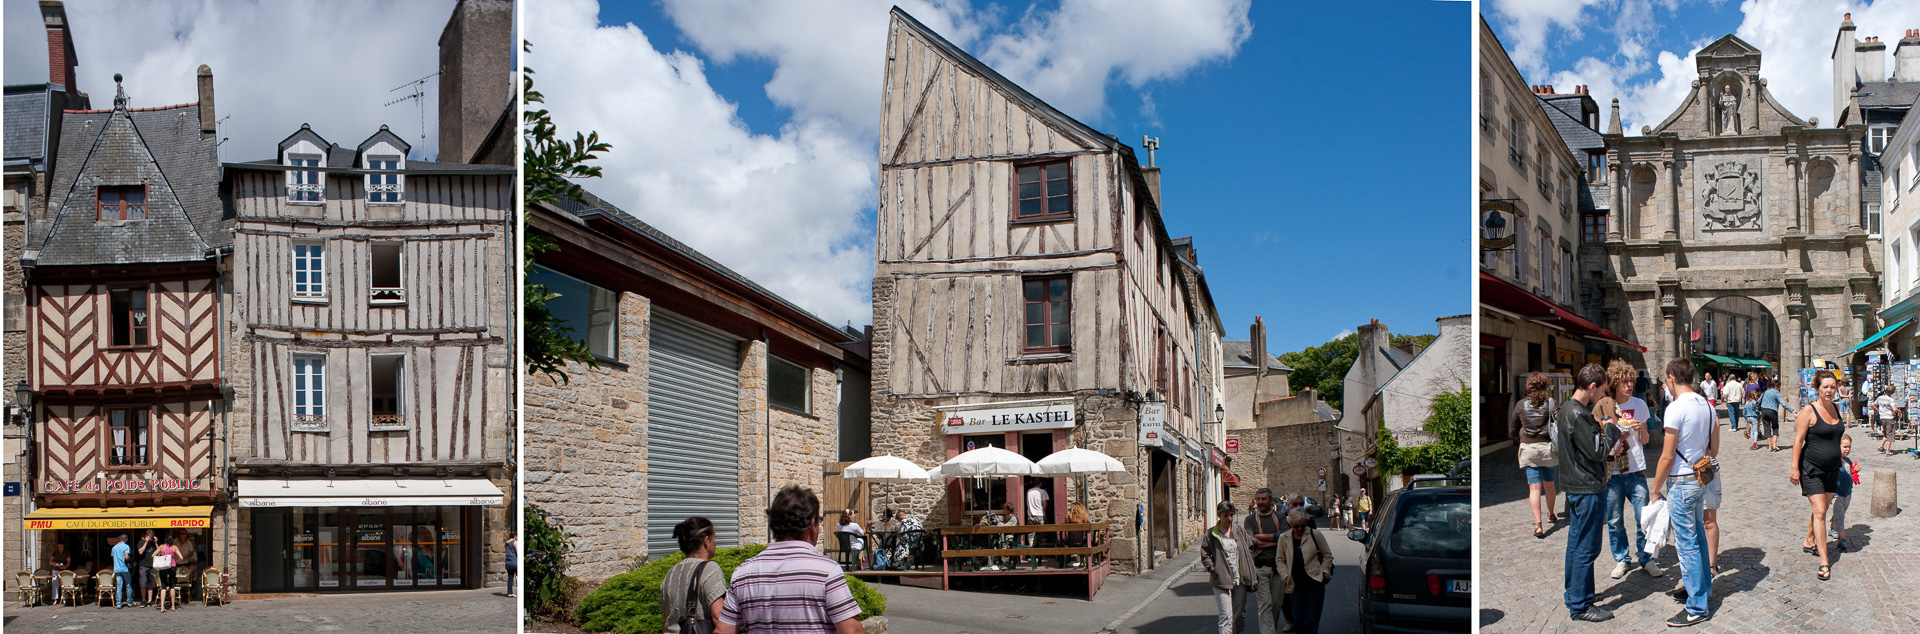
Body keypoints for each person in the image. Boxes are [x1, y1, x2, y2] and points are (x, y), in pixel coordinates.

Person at [715, 485, 864, 634]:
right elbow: (851, 631)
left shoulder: (743, 573)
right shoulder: (827, 571)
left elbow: (723, 631)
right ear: (812, 524)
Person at [1651, 358, 1716, 627]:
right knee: (1698, 538)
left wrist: (1655, 488)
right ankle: (1701, 590)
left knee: (1687, 544)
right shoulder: (1706, 405)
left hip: (1680, 481)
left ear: (1670, 378)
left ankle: (1697, 606)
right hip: (1700, 478)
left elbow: (1667, 456)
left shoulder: (1675, 408)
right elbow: (1712, 447)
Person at [1557, 363, 1621, 623]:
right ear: (1592, 386)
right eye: (1602, 391)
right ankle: (1581, 605)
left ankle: (1574, 594)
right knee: (1587, 547)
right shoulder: (1579, 414)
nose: (1603, 397)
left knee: (1576, 543)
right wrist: (1612, 429)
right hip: (1586, 486)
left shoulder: (1566, 409)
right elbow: (1597, 451)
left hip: (1575, 485)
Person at [1597, 360, 1660, 579]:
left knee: (1643, 518)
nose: (1629, 385)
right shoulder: (1604, 406)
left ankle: (1646, 558)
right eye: (1624, 381)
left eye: (1631, 380)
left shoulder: (1640, 405)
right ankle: (1621, 559)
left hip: (1636, 470)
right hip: (1613, 471)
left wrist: (1642, 429)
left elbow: (1644, 441)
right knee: (1614, 521)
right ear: (1614, 383)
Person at [1791, 372, 1845, 583]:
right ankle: (1824, 560)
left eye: (1832, 387)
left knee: (1821, 508)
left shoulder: (1836, 408)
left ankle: (1809, 539)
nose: (1829, 390)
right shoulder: (1808, 411)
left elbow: (1836, 437)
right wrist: (1794, 467)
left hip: (1832, 469)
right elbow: (1798, 440)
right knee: (1820, 511)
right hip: (1811, 468)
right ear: (1817, 388)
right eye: (1825, 387)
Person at [1510, 372, 1561, 538]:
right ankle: (1551, 514)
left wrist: (1519, 437)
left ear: (1527, 386)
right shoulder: (1551, 403)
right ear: (1545, 386)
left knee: (1534, 488)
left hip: (1528, 449)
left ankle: (1538, 525)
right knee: (1550, 485)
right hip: (1547, 448)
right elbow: (1559, 423)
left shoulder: (1520, 404)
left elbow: (1512, 428)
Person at [663, 517, 727, 634]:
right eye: (714, 538)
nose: (715, 543)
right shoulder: (710, 569)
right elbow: (718, 617)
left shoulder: (671, 573)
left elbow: (666, 620)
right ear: (706, 541)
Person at [1201, 501, 1256, 634]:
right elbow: (1205, 555)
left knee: (1238, 615)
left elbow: (1250, 547)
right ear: (1219, 515)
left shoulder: (1239, 531)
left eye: (1231, 515)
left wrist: (1247, 562)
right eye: (1226, 515)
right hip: (1221, 580)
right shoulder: (1211, 534)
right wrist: (1214, 570)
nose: (1229, 519)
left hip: (1240, 579)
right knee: (1226, 616)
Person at [1243, 489, 1288, 634]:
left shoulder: (1280, 517)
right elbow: (1250, 540)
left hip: (1279, 567)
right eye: (1258, 499)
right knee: (1265, 604)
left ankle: (1270, 629)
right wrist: (1275, 540)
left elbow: (1285, 537)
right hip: (1260, 567)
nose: (1260, 502)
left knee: (1276, 603)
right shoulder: (1250, 520)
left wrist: (1261, 538)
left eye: (1264, 499)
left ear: (1271, 501)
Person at [1286, 507, 1334, 634]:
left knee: (1311, 619)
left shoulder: (1315, 534)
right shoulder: (1285, 538)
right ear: (1291, 524)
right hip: (1296, 584)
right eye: (1296, 526)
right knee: (1299, 619)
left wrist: (1324, 572)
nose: (1300, 529)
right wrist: (1285, 575)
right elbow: (1280, 559)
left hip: (1315, 582)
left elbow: (1327, 555)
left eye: (1303, 525)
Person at [1830, 434, 1859, 552]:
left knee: (1840, 514)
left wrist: (1855, 471)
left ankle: (1832, 529)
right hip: (1837, 494)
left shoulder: (1848, 460)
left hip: (1847, 493)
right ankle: (1842, 539)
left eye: (1849, 447)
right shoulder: (1835, 460)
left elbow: (1849, 473)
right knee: (1840, 516)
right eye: (1845, 446)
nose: (1847, 449)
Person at [1756, 379, 1786, 452]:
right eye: (1779, 386)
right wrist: (1791, 410)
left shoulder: (1765, 392)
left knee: (1767, 428)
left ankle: (1770, 446)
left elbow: (1758, 401)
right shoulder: (1776, 392)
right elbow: (1783, 404)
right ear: (1776, 386)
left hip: (1763, 411)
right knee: (1775, 427)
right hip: (1772, 411)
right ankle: (1775, 445)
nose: (1779, 388)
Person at [153, 537, 180, 612]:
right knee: (172, 586)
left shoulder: (162, 546)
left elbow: (153, 555)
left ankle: (162, 607)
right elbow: (181, 557)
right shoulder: (174, 547)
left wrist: (160, 556)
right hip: (172, 566)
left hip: (163, 567)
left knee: (163, 586)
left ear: (165, 541)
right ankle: (173, 606)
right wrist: (175, 560)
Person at [109, 534, 132, 609]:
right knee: (128, 585)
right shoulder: (126, 547)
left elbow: (113, 559)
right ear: (126, 540)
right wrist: (129, 559)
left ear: (119, 539)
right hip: (124, 568)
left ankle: (118, 603)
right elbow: (126, 557)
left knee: (119, 586)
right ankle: (129, 602)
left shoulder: (114, 548)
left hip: (117, 568)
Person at [136, 530, 158, 607]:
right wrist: (146, 542)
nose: (150, 539)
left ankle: (150, 600)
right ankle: (143, 599)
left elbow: (159, 552)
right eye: (149, 536)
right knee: (143, 583)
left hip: (152, 565)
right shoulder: (141, 542)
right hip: (143, 565)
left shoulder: (153, 543)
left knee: (151, 584)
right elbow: (140, 552)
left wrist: (155, 542)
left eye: (151, 537)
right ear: (146, 535)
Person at [1878, 386, 1901, 456]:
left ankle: (1881, 446)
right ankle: (1888, 451)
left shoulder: (1880, 398)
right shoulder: (1891, 400)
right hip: (1889, 418)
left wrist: (1879, 410)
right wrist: (1899, 411)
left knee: (1886, 432)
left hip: (1882, 417)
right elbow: (1894, 409)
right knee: (1890, 434)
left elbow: (1873, 404)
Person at [505, 534, 519, 598]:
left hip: (508, 562)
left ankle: (510, 593)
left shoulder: (506, 543)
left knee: (510, 578)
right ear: (515, 536)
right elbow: (518, 552)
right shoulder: (515, 542)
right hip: (515, 562)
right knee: (518, 577)